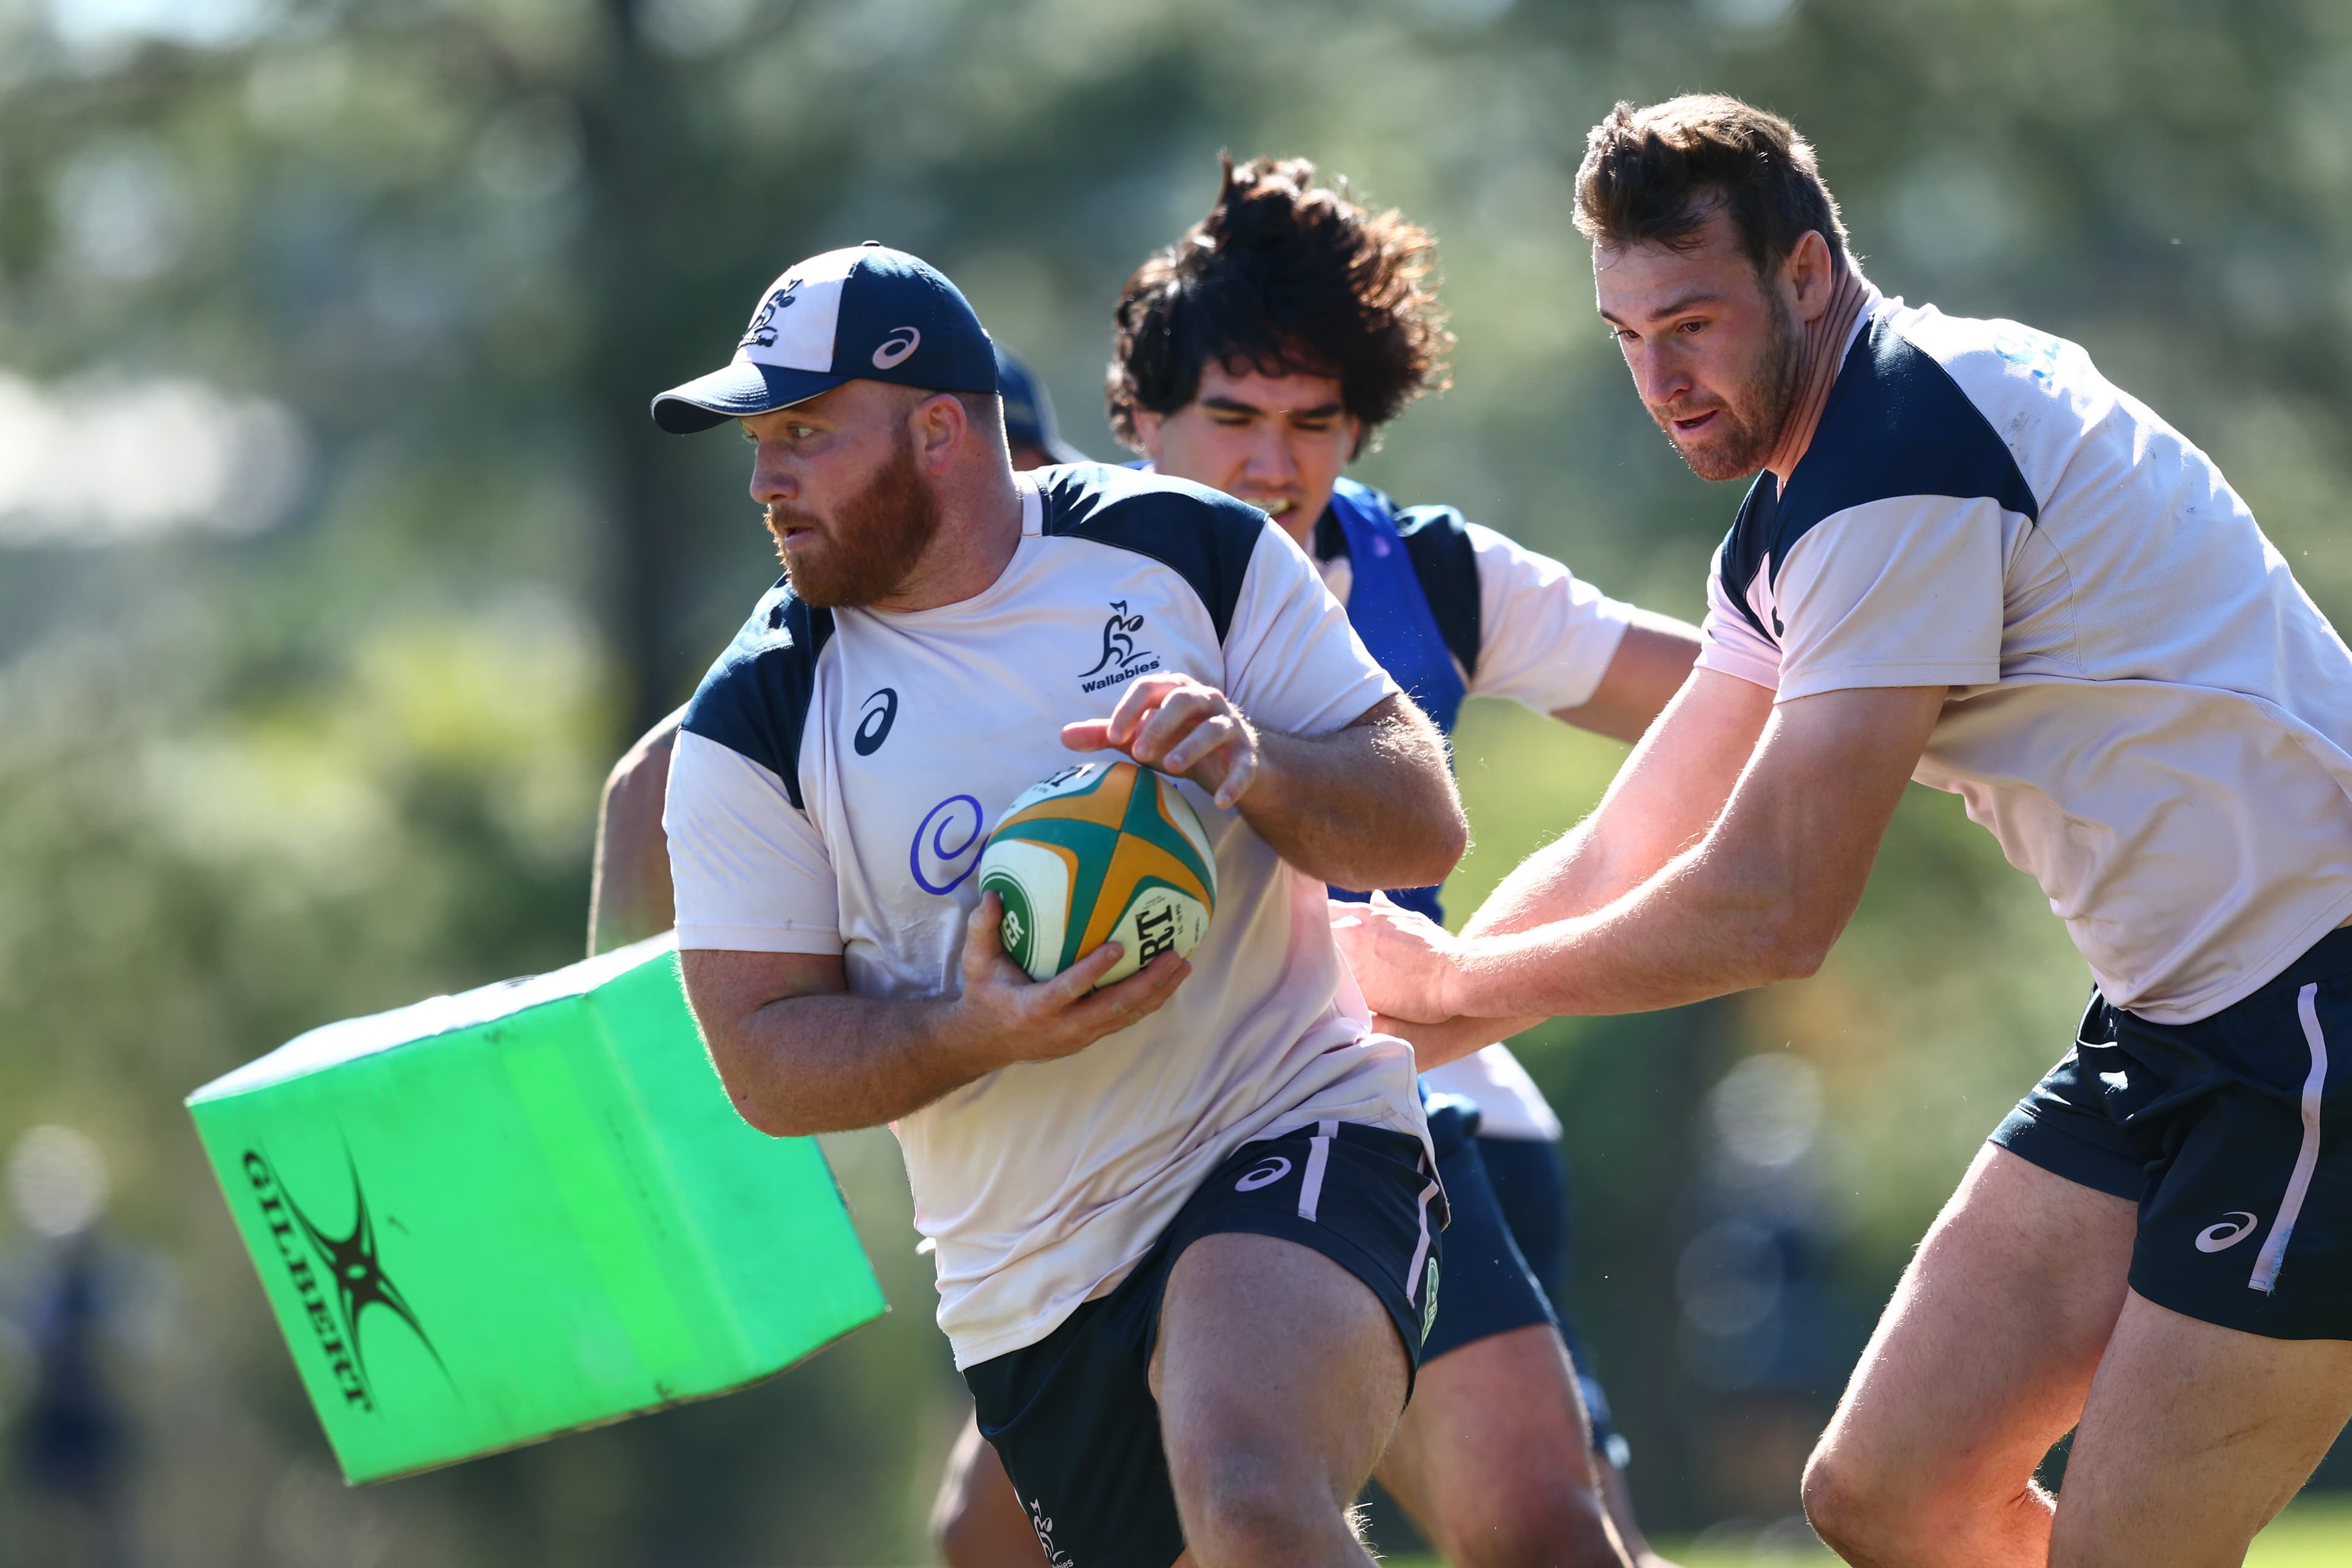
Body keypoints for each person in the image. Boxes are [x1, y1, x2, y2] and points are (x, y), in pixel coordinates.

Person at [1333, 93, 2352, 1567]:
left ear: (1804, 273)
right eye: (1627, 337)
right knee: (1887, 1492)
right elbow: (1627, 846)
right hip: (2171, 1030)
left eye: (1690, 322)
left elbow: (1772, 902)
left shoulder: (1898, 454)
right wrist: (1373, 1040)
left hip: (2315, 1022)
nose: (1661, 379)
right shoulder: (1795, 515)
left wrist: (1452, 994)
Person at [652, 241, 1469, 1568]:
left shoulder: (1186, 547)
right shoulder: (753, 718)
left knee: (1253, 1493)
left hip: (1286, 1120)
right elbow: (763, 1058)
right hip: (1028, 1289)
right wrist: (981, 1028)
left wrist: (1254, 761)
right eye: (759, 441)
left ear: (937, 429)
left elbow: (1418, 813)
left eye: (804, 432)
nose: (766, 481)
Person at [933, 156, 1695, 1568]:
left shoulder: (1434, 577)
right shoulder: (1024, 596)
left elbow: (1739, 692)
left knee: (1542, 1529)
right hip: (1106, 1155)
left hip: (1393, 1108)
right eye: (1228, 419)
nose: (1270, 464)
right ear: (1137, 421)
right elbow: (720, 745)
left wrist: (1937, 655)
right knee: (985, 1543)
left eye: (1312, 423)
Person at [586, 342, 1086, 958]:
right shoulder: (743, 725)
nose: (1018, 506)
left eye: (1032, 477)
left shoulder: (1132, 589)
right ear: (938, 444)